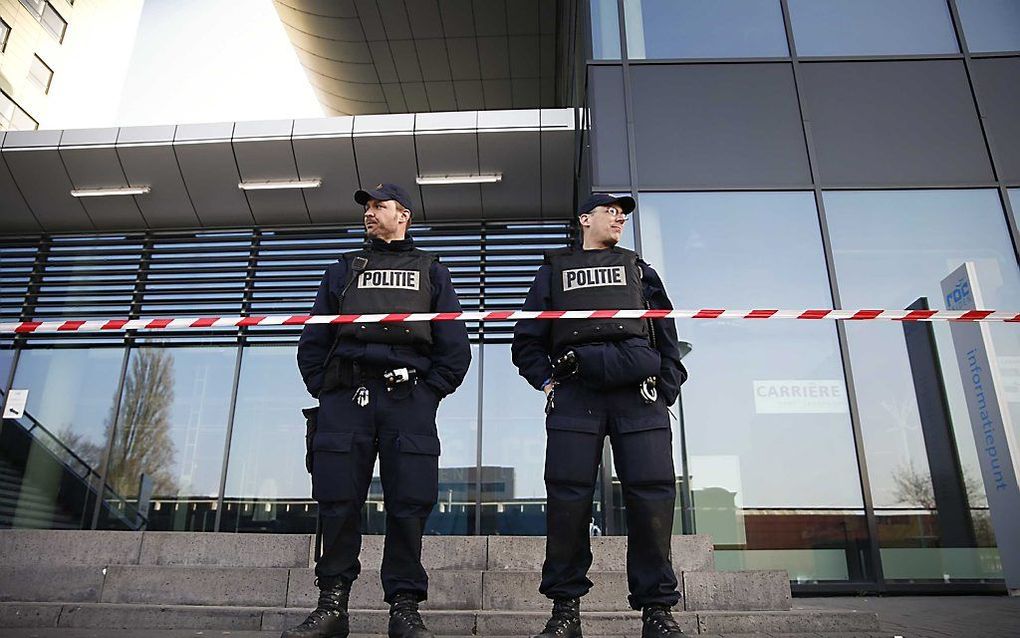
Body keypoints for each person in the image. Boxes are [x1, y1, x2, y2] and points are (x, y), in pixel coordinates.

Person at [289, 183, 471, 638]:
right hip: (345, 398)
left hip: (407, 401)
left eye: (378, 206)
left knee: (409, 505)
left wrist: (428, 393)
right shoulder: (343, 269)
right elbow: (314, 340)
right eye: (367, 207)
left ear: (403, 214)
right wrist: (327, 390)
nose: (369, 213)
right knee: (337, 502)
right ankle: (332, 606)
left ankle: (405, 610)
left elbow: (455, 348)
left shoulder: (432, 271)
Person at [511, 193, 688, 638]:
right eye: (610, 210)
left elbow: (666, 334)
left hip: (639, 396)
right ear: (584, 219)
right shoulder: (553, 270)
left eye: (623, 212)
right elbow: (527, 341)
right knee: (567, 501)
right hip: (577, 394)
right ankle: (565, 610)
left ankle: (657, 612)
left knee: (652, 498)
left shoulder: (640, 270)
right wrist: (549, 383)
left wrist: (665, 387)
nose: (619, 217)